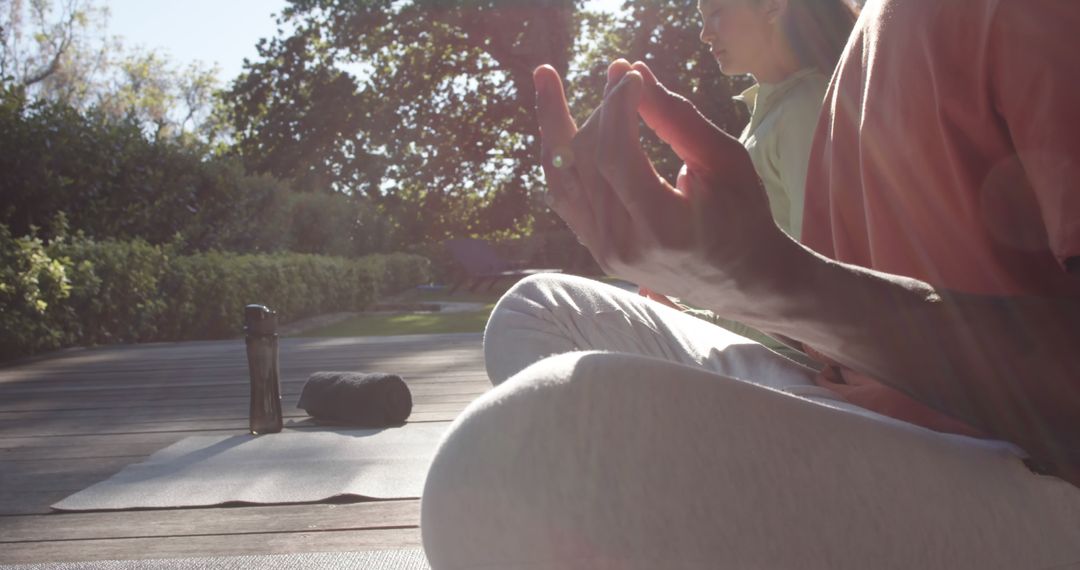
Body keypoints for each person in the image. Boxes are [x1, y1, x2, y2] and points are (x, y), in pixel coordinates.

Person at [421, 0, 1080, 568]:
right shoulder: (869, 35)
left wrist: (764, 282)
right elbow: (851, 314)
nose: (706, 26)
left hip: (1022, 469)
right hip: (867, 404)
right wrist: (717, 280)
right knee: (540, 310)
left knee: (496, 467)